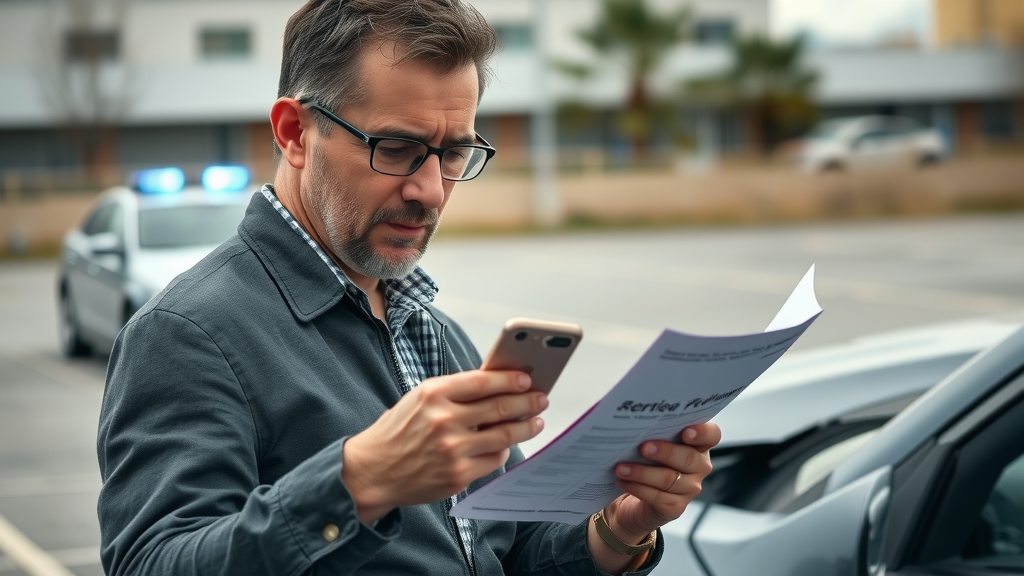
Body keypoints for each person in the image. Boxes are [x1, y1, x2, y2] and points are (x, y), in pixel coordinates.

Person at [96, 0, 721, 574]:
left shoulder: (432, 329)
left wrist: (618, 528)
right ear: (293, 133)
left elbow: (505, 548)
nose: (430, 189)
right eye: (397, 148)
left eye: (454, 153)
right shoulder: (188, 335)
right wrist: (360, 482)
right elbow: (152, 563)